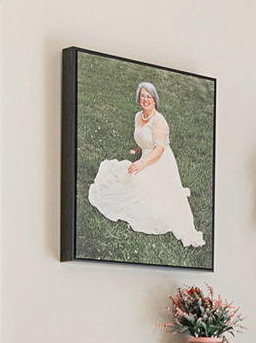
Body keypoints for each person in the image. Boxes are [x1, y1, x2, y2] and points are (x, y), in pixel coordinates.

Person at [87, 79, 205, 247]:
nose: (146, 100)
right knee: (124, 176)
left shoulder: (159, 121)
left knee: (142, 193)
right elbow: (142, 137)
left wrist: (142, 164)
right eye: (142, 96)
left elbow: (159, 149)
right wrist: (137, 150)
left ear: (155, 99)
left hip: (159, 162)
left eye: (149, 96)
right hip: (147, 156)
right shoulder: (138, 116)